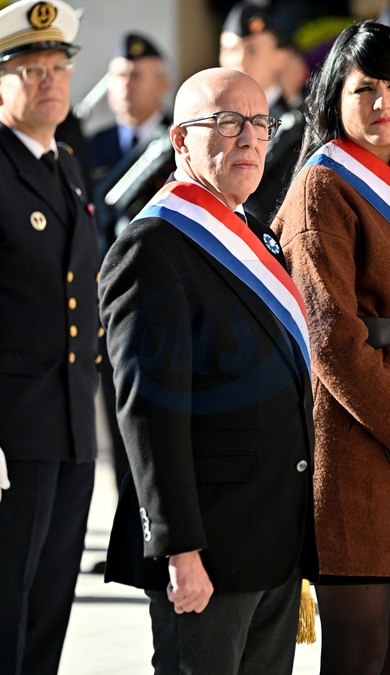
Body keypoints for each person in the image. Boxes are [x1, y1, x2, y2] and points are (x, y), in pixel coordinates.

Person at [99, 66, 318, 675]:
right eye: (226, 122)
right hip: (208, 550)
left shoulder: (253, 234)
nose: (248, 137)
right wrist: (179, 549)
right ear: (180, 141)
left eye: (259, 123)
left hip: (272, 537)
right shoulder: (153, 246)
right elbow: (149, 413)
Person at [272, 19, 390, 674]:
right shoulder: (322, 185)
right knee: (360, 656)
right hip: (361, 448)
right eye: (365, 88)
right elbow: (332, 341)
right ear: (334, 98)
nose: (383, 102)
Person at [0, 1, 101, 673]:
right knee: (5, 601)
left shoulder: (64, 162)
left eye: (58, 66)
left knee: (50, 603)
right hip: (12, 432)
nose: (49, 80)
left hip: (69, 427)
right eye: (30, 69)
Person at [89, 32, 175, 495]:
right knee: (121, 423)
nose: (126, 84)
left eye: (138, 75)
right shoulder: (91, 146)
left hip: (168, 300)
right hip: (110, 304)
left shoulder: (181, 141)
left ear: (162, 84)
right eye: (119, 75)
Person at [219, 2, 307, 222]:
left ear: (281, 57)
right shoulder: (209, 124)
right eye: (230, 50)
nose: (239, 60)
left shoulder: (300, 128)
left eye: (252, 49)